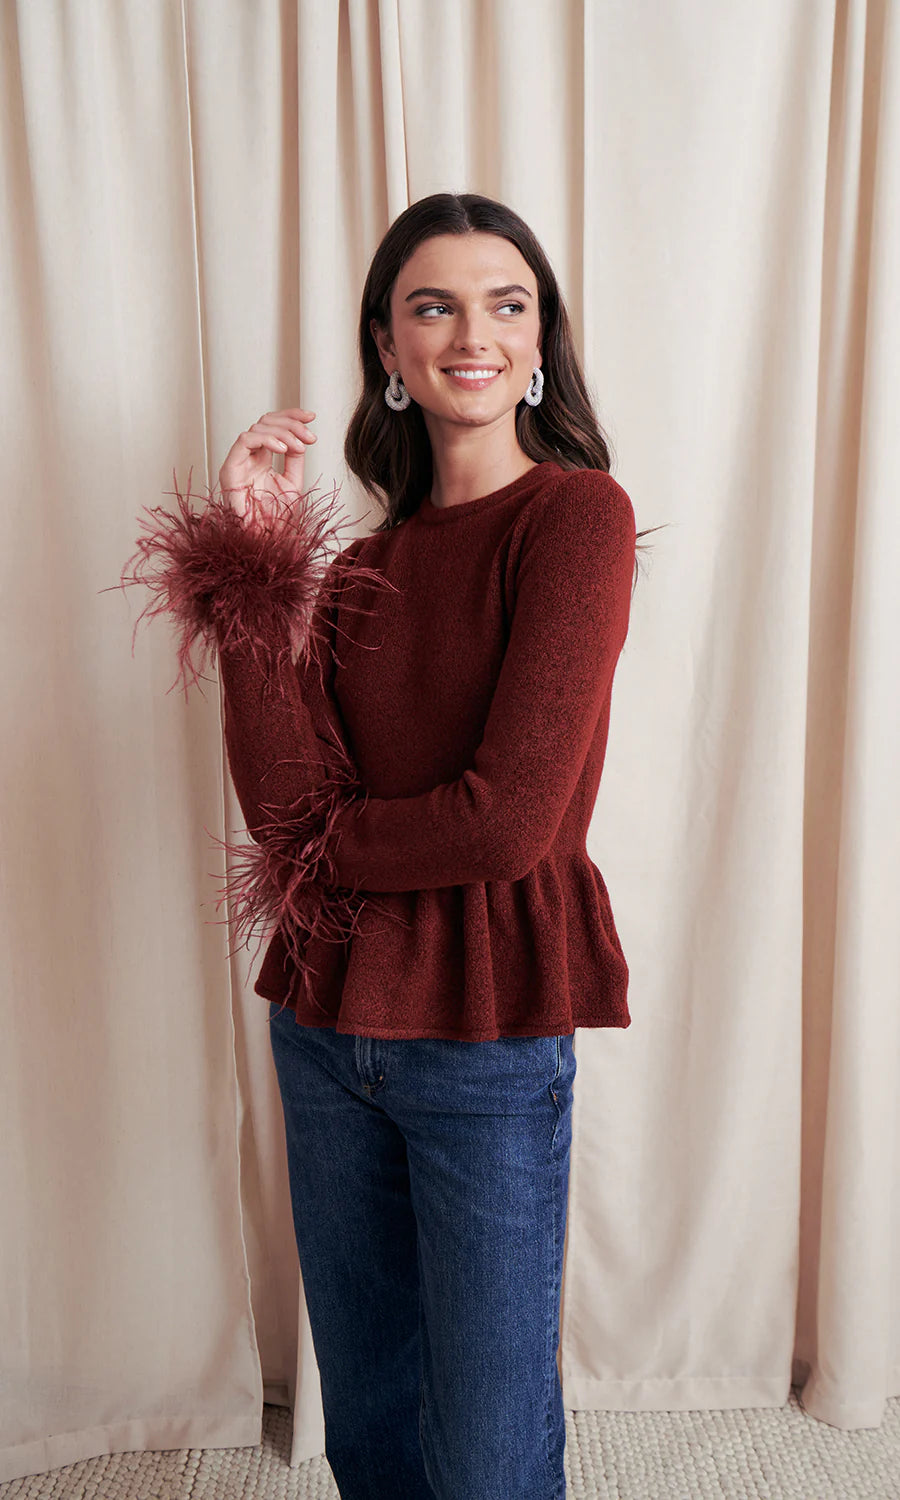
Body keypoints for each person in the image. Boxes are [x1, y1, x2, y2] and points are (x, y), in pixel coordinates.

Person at [121, 191, 656, 1500]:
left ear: (541, 345)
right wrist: (255, 556)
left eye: (505, 303)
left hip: (481, 1031)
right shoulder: (363, 562)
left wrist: (322, 848)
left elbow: (506, 820)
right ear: (387, 349)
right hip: (321, 1027)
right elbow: (277, 804)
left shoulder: (573, 518)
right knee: (370, 1431)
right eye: (434, 304)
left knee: (484, 1454)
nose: (470, 332)